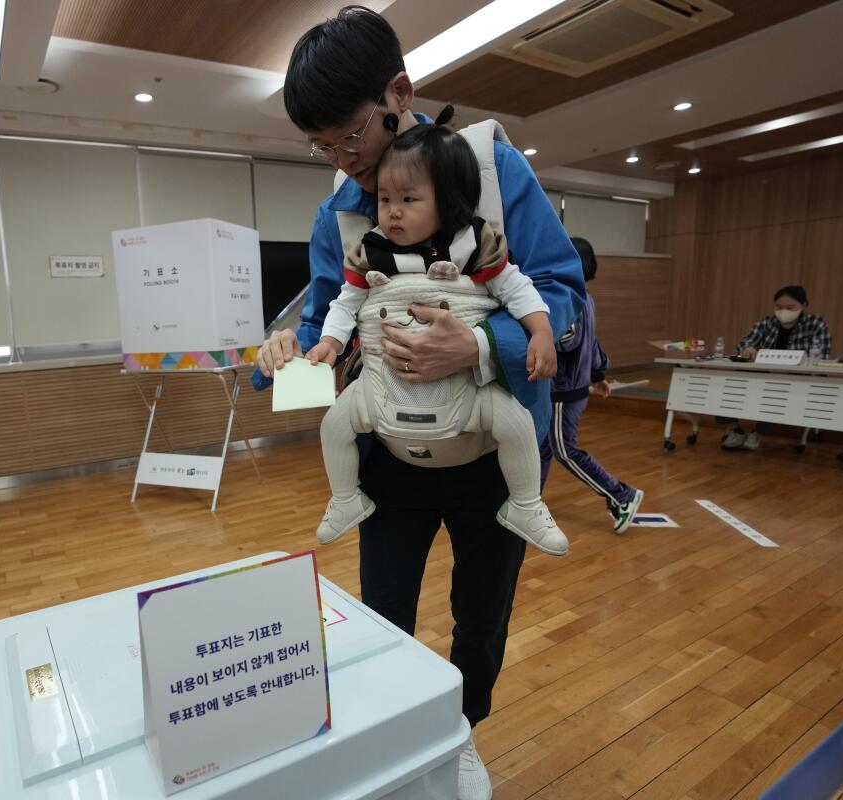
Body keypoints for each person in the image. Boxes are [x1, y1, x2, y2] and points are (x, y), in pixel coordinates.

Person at [253, 8, 585, 799]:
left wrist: (476, 346)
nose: (342, 160)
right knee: (382, 613)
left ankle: (459, 733)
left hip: (489, 457)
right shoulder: (338, 211)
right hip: (392, 461)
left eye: (351, 136)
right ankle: (393, 738)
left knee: (480, 618)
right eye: (322, 146)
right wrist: (284, 357)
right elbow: (321, 323)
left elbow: (562, 298)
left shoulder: (494, 171)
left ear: (399, 93)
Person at [306, 111, 567, 556]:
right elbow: (341, 303)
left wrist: (538, 332)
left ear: (446, 200)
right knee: (333, 425)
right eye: (385, 199)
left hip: (472, 400)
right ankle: (345, 499)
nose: (392, 211)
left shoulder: (474, 239)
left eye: (408, 199)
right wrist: (326, 343)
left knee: (516, 424)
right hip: (383, 400)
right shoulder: (366, 246)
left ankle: (526, 503)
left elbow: (522, 286)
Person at [539, 238, 644, 532]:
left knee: (564, 450)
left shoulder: (566, 297)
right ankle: (530, 501)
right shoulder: (585, 295)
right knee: (544, 447)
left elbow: (569, 341)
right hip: (570, 388)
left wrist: (538, 333)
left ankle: (622, 495)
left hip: (563, 390)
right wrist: (598, 375)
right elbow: (592, 342)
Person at [721, 285, 833, 450]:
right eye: (779, 307)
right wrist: (748, 348)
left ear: (804, 305)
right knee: (729, 382)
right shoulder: (767, 322)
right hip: (763, 373)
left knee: (776, 388)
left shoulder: (815, 324)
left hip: (797, 377)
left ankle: (757, 433)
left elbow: (822, 355)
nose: (783, 311)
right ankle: (735, 430)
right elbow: (745, 342)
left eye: (790, 307)